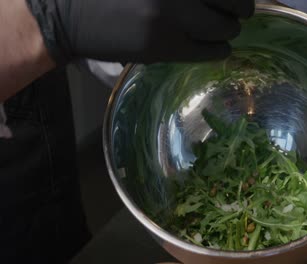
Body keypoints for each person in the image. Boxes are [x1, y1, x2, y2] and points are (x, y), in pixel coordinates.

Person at [0, 0, 254, 263]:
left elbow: (97, 24)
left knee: (61, 241)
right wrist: (48, 17)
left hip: (34, 126)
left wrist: (134, 36)